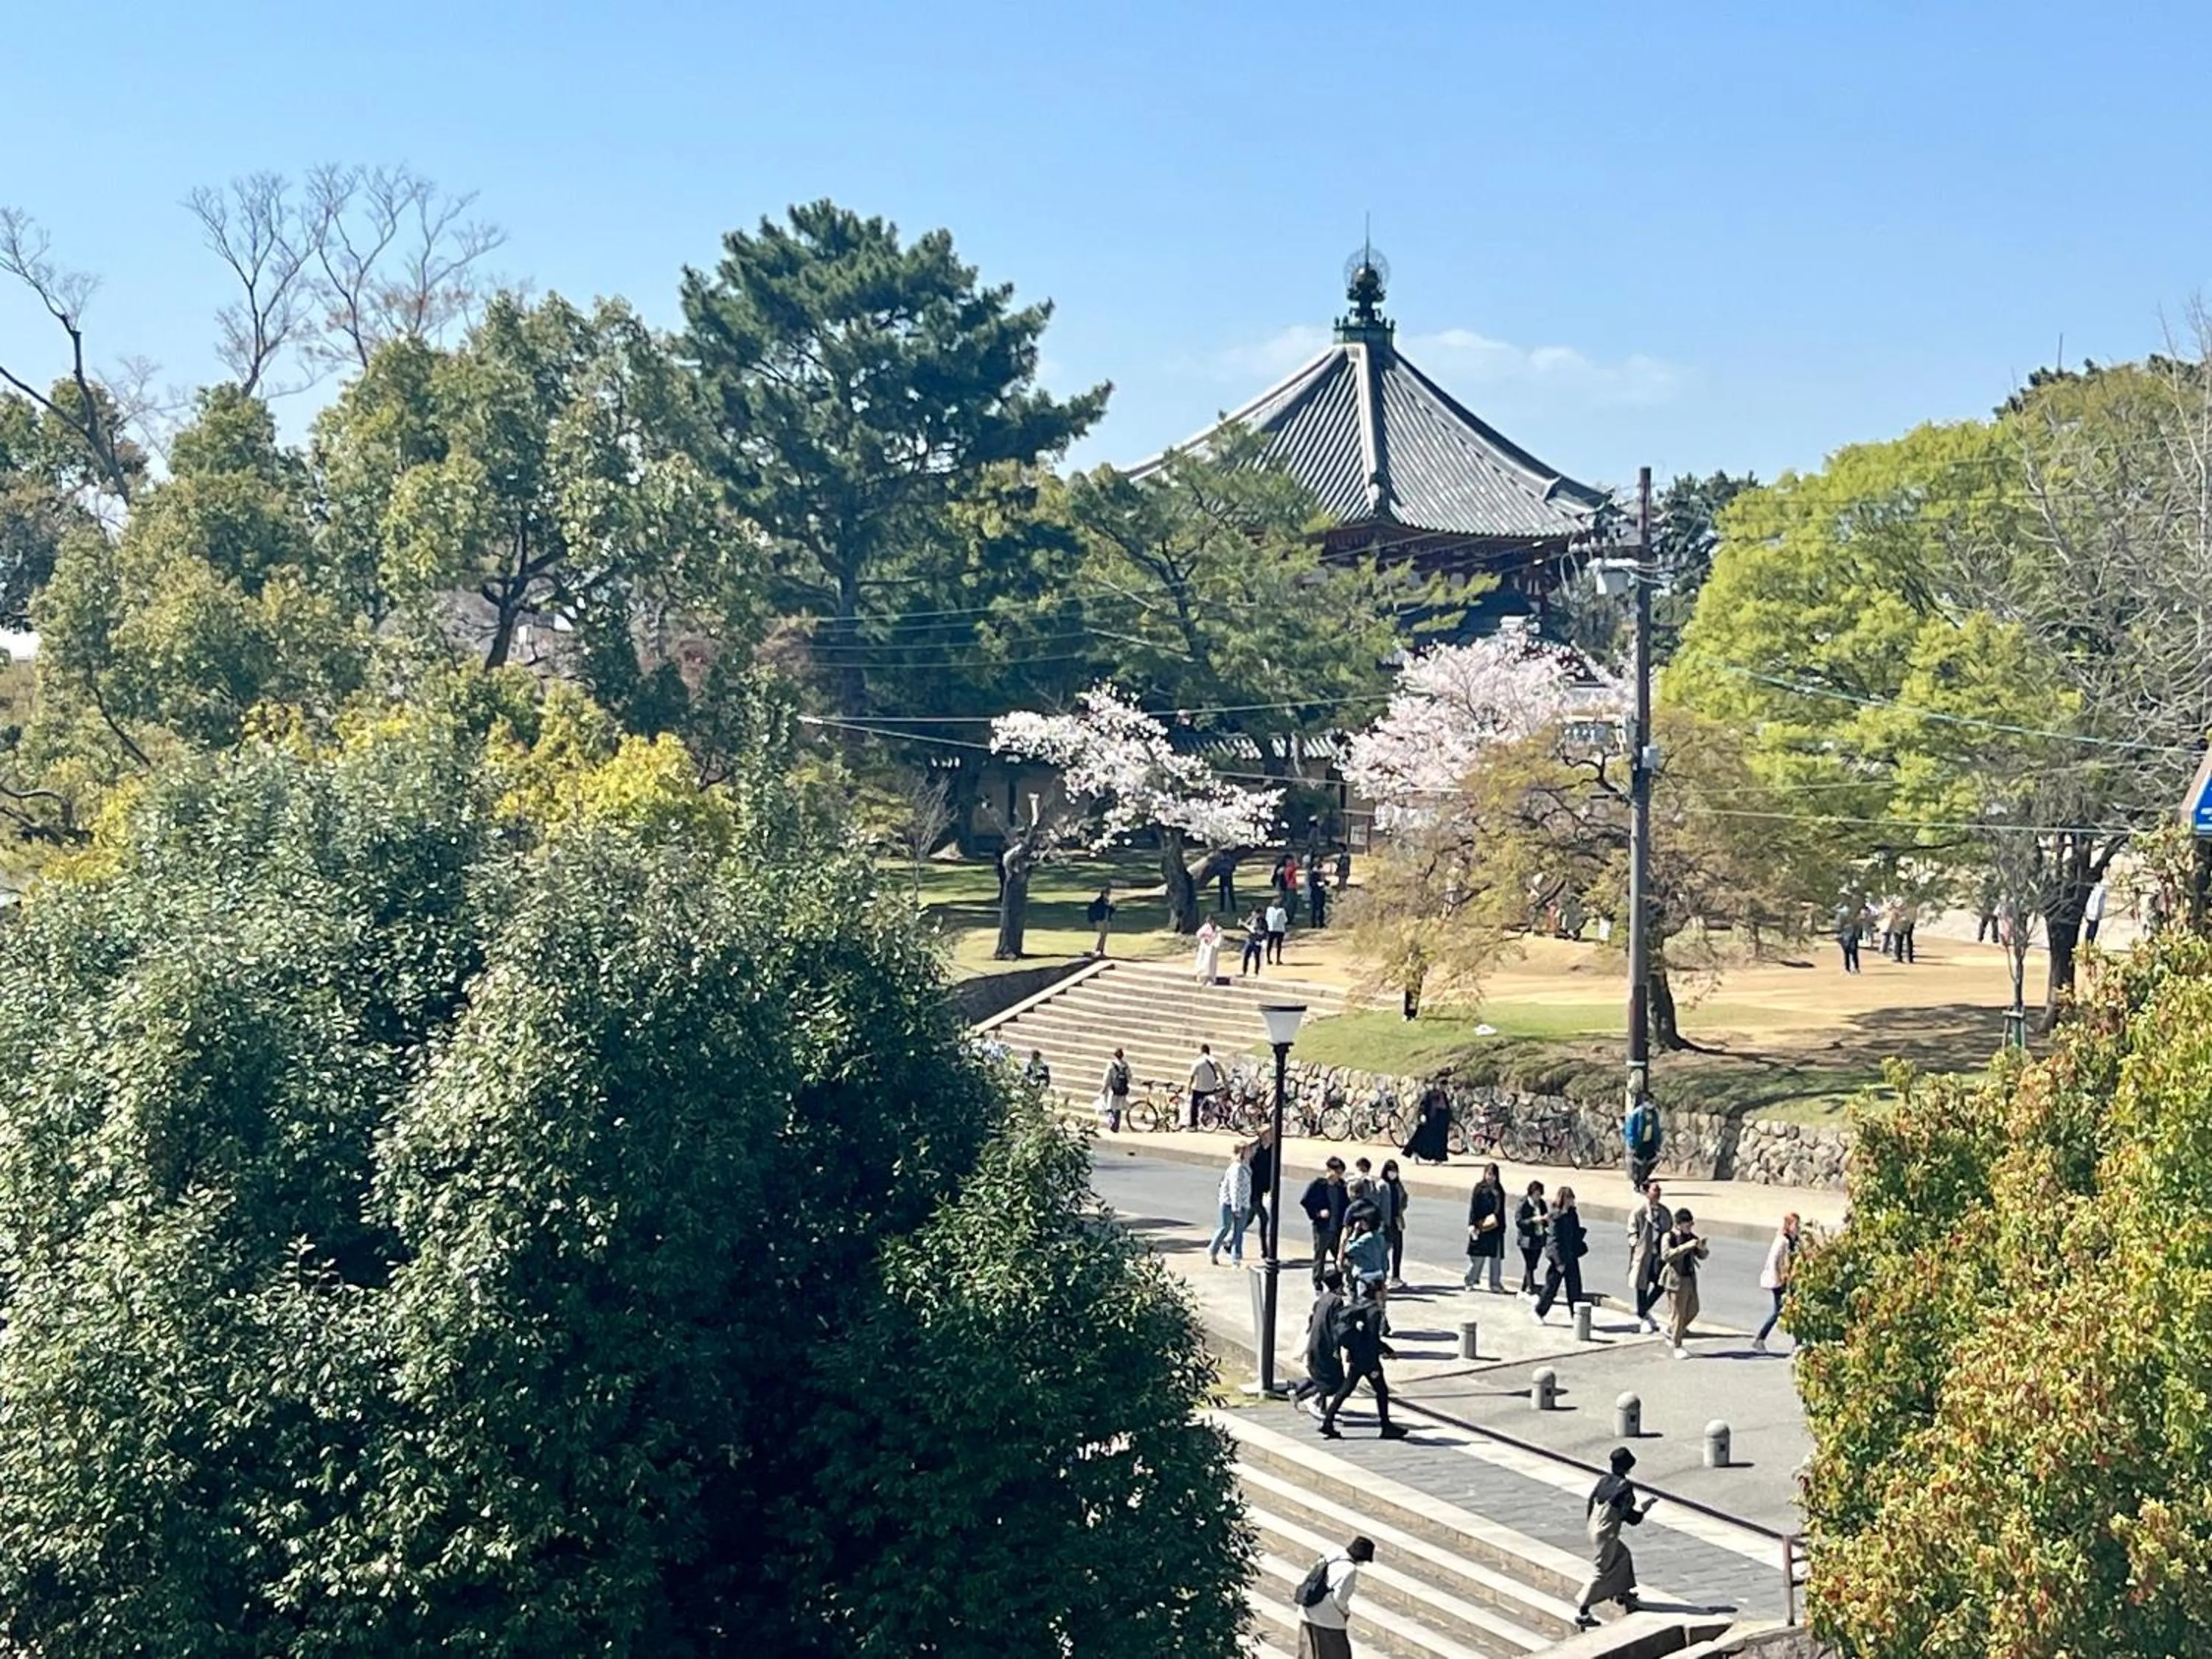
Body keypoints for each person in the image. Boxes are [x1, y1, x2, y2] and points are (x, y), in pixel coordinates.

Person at [1573, 1448, 1655, 1630]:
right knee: (1602, 1572)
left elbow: (1591, 1501)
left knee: (1623, 1555)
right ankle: (1583, 1611)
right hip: (1606, 1534)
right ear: (1628, 1467)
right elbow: (1630, 1516)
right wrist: (1644, 1508)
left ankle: (1622, 1592)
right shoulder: (1624, 1487)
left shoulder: (1604, 1480)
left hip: (1594, 1528)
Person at [1320, 1293, 1407, 1442]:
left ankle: (1328, 1421)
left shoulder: (1360, 1306)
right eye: (1383, 1291)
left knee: (1345, 1390)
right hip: (1368, 1360)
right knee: (1381, 1391)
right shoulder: (1374, 1312)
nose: (1386, 1294)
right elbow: (1372, 1339)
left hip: (1356, 1356)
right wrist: (1388, 1351)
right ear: (1378, 1293)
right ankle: (1386, 1426)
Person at [1295, 1535, 1376, 1658]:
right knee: (1336, 1652)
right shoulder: (1350, 1569)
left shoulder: (1332, 1554)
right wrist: (1345, 1613)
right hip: (1327, 1618)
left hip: (1307, 1609)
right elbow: (1339, 1598)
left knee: (1309, 1652)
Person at [1291, 1266, 1348, 1411]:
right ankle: (1310, 1399)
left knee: (1322, 1378)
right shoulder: (1337, 1302)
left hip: (1315, 1344)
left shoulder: (1321, 1299)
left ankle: (1314, 1402)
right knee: (1335, 1382)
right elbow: (1337, 1327)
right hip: (1326, 1346)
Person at [1660, 1206, 1709, 1359]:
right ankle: (1677, 1344)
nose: (1689, 1228)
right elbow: (1667, 1256)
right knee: (1678, 1314)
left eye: (1691, 1225)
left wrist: (1701, 1248)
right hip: (1675, 1280)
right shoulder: (1669, 1237)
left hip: (1689, 1279)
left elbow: (1702, 1256)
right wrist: (1684, 1247)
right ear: (1679, 1224)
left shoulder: (1691, 1237)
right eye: (1687, 1225)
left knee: (1693, 1309)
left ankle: (1673, 1330)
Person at [1533, 1186, 1586, 1324]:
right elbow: (1553, 1241)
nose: (1571, 1202)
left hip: (1571, 1255)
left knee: (1575, 1287)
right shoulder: (1556, 1216)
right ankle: (1538, 1312)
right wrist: (1558, 1262)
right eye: (1569, 1198)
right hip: (1560, 1258)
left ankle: (1576, 1316)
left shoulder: (1572, 1215)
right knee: (1551, 1288)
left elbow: (1574, 1233)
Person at [1627, 1181, 1671, 1335]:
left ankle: (1644, 1309)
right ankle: (1643, 1317)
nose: (1658, 1193)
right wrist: (1636, 1245)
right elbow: (1632, 1231)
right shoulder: (1639, 1211)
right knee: (1642, 1285)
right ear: (1647, 1192)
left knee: (1662, 1283)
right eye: (1655, 1190)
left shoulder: (1665, 1212)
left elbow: (1669, 1231)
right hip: (1643, 1253)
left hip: (1658, 1255)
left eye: (1659, 1190)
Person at [1754, 1211, 1800, 1354]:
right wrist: (1780, 1279)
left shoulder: (1796, 1240)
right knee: (1780, 1311)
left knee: (1795, 1310)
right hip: (1781, 1282)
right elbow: (1774, 1261)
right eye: (1796, 1224)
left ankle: (1798, 1343)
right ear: (1789, 1225)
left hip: (1793, 1280)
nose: (1798, 1227)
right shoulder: (1782, 1241)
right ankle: (1760, 1339)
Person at [1301, 1158, 1350, 1288]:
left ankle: (1338, 1282)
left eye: (1341, 1173)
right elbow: (1305, 1201)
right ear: (1330, 1170)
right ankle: (1317, 1281)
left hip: (1337, 1228)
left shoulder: (1341, 1187)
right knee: (1320, 1255)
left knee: (1339, 1256)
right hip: (1322, 1228)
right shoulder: (1318, 1185)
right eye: (1337, 1172)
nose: (1339, 1176)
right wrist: (1317, 1213)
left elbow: (1346, 1205)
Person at [1208, 1141, 1253, 1266]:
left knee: (1239, 1232)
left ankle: (1236, 1258)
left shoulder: (1245, 1166)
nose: (1250, 1153)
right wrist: (1236, 1207)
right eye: (1248, 1151)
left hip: (1243, 1203)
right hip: (1230, 1203)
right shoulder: (1236, 1168)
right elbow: (1235, 1188)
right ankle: (1213, 1250)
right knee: (1225, 1227)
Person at [1465, 1163, 1506, 1292]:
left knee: (1496, 1258)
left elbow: (1501, 1211)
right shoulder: (1479, 1189)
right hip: (1481, 1225)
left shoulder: (1499, 1190)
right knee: (1478, 1257)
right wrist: (1472, 1224)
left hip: (1496, 1228)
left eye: (1493, 1175)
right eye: (1489, 1174)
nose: (1490, 1177)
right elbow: (1473, 1208)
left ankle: (1495, 1283)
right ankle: (1471, 1280)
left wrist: (1502, 1226)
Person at [1342, 1210, 1389, 1307]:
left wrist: (1355, 1232)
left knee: (1363, 1304)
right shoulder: (1380, 1237)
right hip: (1378, 1273)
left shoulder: (1366, 1238)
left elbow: (1348, 1250)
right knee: (1378, 1304)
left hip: (1365, 1275)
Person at [1374, 1161, 1410, 1289]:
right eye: (1391, 1170)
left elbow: (1405, 1197)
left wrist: (1401, 1208)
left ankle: (1396, 1276)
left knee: (1398, 1249)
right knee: (1383, 1251)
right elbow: (1376, 1203)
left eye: (1395, 1170)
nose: (1393, 1173)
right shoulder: (1381, 1186)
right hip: (1385, 1223)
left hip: (1397, 1222)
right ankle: (1381, 1277)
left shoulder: (1398, 1185)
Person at [1513, 1180, 1549, 1295]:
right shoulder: (1523, 1203)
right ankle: (1531, 1287)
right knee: (1529, 1263)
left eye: (1539, 1195)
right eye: (1536, 1195)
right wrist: (1532, 1220)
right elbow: (1519, 1221)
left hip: (1538, 1237)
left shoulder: (1541, 1204)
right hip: (1526, 1239)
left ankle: (1524, 1287)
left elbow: (1546, 1217)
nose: (1537, 1198)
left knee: (1533, 1264)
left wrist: (1545, 1220)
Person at [1402, 1085, 1451, 1164]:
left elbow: (1447, 1108)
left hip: (1441, 1120)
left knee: (1440, 1140)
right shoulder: (1429, 1094)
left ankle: (1439, 1158)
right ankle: (1416, 1153)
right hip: (1430, 1120)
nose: (1443, 1087)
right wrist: (1422, 1115)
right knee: (1423, 1138)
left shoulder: (1444, 1095)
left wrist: (1449, 1117)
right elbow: (1423, 1105)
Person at [1623, 1095, 1662, 1190]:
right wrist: (1632, 1143)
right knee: (1637, 1164)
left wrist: (1658, 1142)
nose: (1651, 1104)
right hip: (1639, 1143)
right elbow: (1630, 1129)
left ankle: (1644, 1179)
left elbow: (1657, 1129)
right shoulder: (1636, 1114)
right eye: (1649, 1101)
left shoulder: (1654, 1114)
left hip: (1650, 1142)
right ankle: (1638, 1183)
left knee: (1652, 1161)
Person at [1249, 1125, 1278, 1248]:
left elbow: (1273, 1169)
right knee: (1264, 1218)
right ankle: (1265, 1250)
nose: (1272, 1135)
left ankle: (1229, 1239)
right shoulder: (1255, 1150)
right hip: (1252, 1190)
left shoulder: (1273, 1150)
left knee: (1248, 1220)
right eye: (1269, 1133)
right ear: (1263, 1135)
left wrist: (1271, 1186)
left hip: (1262, 1189)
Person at [1186, 1043, 1223, 1130]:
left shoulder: (1198, 1062)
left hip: (1200, 1089)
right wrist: (1225, 1084)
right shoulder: (1214, 1061)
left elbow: (1191, 1077)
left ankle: (1193, 1124)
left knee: (1194, 1105)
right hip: (1212, 1089)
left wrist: (1189, 1089)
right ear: (1209, 1051)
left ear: (1201, 1051)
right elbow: (1222, 1073)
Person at [1098, 1048, 1130, 1133]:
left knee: (1109, 1108)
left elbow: (1107, 1078)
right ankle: (1117, 1126)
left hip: (1113, 1090)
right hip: (1122, 1090)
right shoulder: (1125, 1065)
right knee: (1118, 1109)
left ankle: (1111, 1124)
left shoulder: (1111, 1065)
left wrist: (1104, 1088)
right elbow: (1129, 1076)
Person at [1192, 914, 1222, 986]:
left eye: (1212, 921)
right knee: (1203, 963)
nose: (1211, 923)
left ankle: (1211, 979)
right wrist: (1204, 938)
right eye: (1209, 922)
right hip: (1205, 948)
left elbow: (1219, 940)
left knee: (1211, 965)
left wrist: (1214, 944)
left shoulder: (1219, 929)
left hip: (1213, 950)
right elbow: (1198, 934)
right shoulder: (1206, 927)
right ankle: (1202, 978)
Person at [1086, 886, 1115, 956]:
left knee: (1104, 936)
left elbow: (1111, 910)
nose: (1108, 895)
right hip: (1100, 920)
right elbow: (1094, 910)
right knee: (1102, 935)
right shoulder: (1099, 902)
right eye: (1106, 893)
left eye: (1109, 893)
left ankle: (1101, 949)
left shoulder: (1108, 901)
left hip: (1107, 920)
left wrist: (1112, 907)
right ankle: (1099, 950)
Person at [1834, 902, 1862, 974]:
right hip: (1848, 935)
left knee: (1849, 952)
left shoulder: (1842, 914)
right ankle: (1853, 968)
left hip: (1848, 935)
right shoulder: (1850, 915)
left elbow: (1838, 926)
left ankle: (1850, 968)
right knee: (1853, 952)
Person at [1240, 908, 1267, 977]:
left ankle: (1256, 972)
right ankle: (1244, 971)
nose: (1256, 915)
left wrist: (1258, 932)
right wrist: (1243, 924)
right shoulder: (1252, 920)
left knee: (1257, 957)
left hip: (1258, 941)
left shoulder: (1263, 922)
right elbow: (1247, 925)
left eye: (1258, 914)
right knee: (1246, 956)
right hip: (1250, 940)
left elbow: (1264, 932)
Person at [1265, 897, 1290, 965]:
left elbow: (1267, 918)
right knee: (1279, 945)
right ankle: (1278, 960)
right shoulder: (1282, 911)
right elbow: (1285, 920)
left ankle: (1268, 959)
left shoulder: (1269, 909)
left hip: (1271, 929)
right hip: (1280, 930)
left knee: (1269, 945)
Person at [2085, 880, 2108, 944]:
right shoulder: (2101, 890)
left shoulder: (2093, 888)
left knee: (2090, 926)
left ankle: (2088, 941)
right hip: (2095, 912)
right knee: (2093, 927)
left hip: (2090, 911)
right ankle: (2090, 941)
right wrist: (2099, 912)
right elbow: (2099, 903)